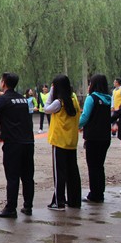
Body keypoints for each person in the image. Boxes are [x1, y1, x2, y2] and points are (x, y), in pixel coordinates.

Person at [0, 73, 35, 218]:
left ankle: (11, 208)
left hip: (13, 144)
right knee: (28, 176)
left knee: (13, 176)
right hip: (28, 142)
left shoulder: (2, 100)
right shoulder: (23, 99)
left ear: (4, 83)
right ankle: (28, 206)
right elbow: (23, 121)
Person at [44, 74, 81, 211]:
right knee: (72, 172)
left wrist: (51, 92)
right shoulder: (74, 100)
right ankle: (74, 200)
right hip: (71, 141)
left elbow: (46, 108)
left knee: (59, 173)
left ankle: (58, 202)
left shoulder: (58, 103)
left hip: (59, 141)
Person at [78, 75, 112, 202]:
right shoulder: (108, 99)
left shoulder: (91, 98)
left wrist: (76, 126)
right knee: (100, 166)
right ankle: (100, 193)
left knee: (92, 166)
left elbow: (85, 116)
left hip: (93, 137)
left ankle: (94, 194)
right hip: (105, 137)